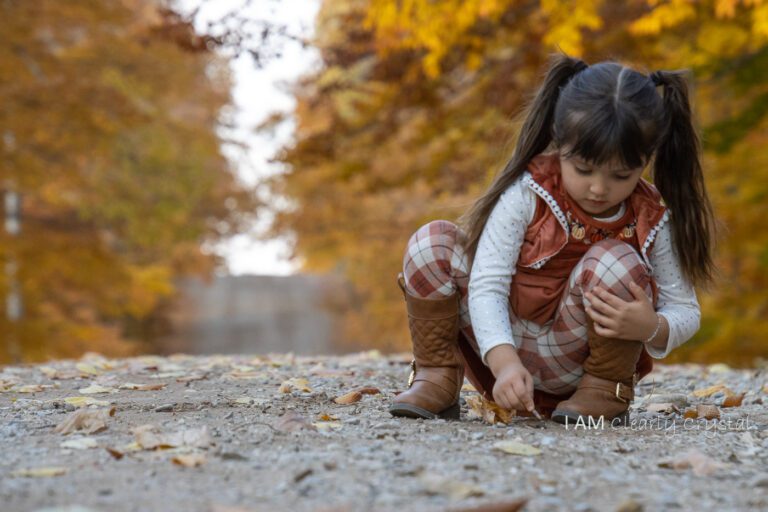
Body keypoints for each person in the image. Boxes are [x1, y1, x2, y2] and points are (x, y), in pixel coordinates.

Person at [388, 54, 716, 425]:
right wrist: (504, 363)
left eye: (620, 175)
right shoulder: (527, 194)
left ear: (645, 160)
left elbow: (686, 309)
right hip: (501, 349)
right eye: (583, 169)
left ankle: (604, 391)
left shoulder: (651, 216)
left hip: (580, 365)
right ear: (560, 144)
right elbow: (487, 285)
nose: (598, 188)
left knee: (615, 259)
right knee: (432, 241)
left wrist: (651, 328)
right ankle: (437, 376)